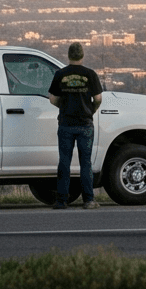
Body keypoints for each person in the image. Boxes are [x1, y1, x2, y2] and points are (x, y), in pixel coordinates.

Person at [47, 41, 103, 209]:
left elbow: (52, 98)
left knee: (64, 161)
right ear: (82, 55)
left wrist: (63, 107)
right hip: (85, 124)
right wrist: (90, 110)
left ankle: (62, 200)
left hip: (66, 123)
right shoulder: (90, 74)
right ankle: (89, 200)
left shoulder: (60, 74)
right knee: (86, 162)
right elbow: (99, 99)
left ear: (68, 55)